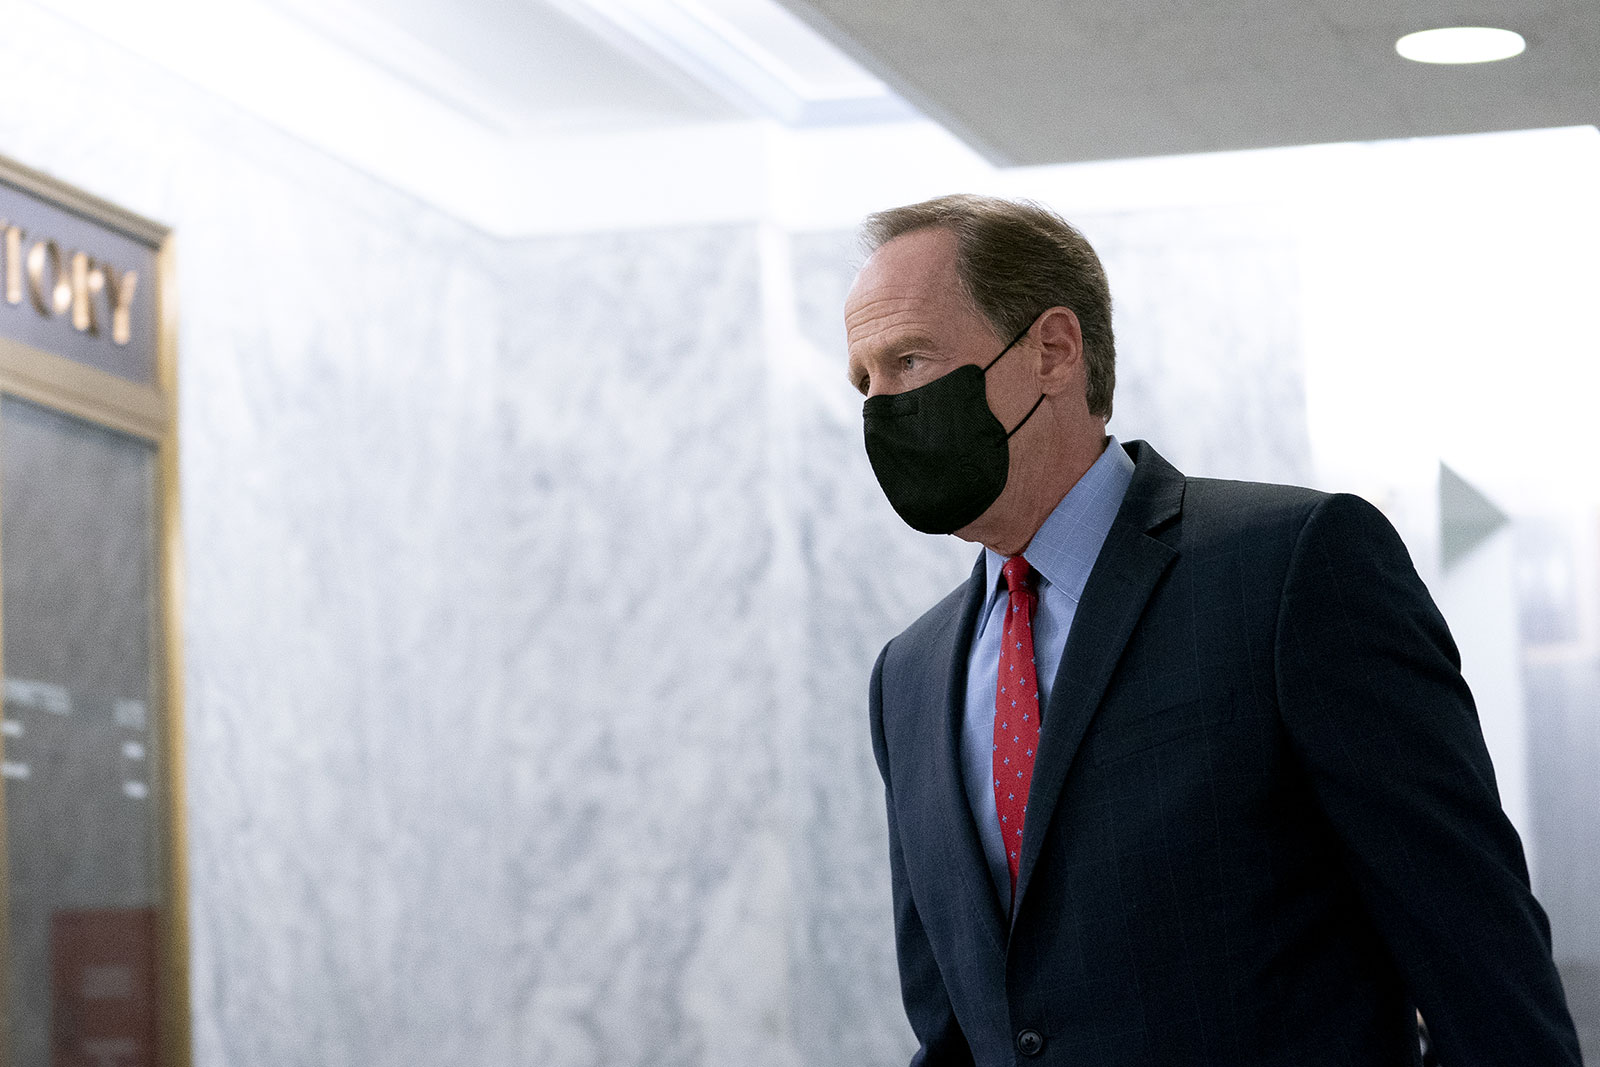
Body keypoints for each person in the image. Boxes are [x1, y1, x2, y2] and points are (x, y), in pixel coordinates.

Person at [845, 194, 1581, 1066]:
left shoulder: (1292, 567)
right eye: (864, 381)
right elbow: (957, 1031)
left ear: (1052, 349)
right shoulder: (910, 676)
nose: (880, 406)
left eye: (909, 359)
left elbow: (1476, 955)